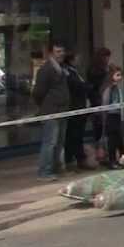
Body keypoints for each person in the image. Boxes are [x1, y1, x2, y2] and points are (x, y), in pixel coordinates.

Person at [33, 42, 71, 181]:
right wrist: (45, 106)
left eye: (62, 51)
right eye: (57, 51)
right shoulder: (45, 70)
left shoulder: (62, 68)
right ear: (51, 53)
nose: (61, 54)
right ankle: (44, 171)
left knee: (59, 142)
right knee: (50, 142)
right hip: (51, 111)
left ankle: (55, 168)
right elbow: (38, 92)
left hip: (62, 110)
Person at [63, 51, 96, 172]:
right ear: (71, 59)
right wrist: (88, 86)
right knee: (73, 136)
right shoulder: (68, 73)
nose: (79, 60)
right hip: (75, 109)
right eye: (77, 58)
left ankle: (80, 160)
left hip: (82, 109)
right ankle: (71, 161)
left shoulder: (75, 72)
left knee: (78, 136)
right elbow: (78, 86)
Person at [100, 64, 124, 169]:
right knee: (113, 140)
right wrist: (105, 118)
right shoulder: (109, 88)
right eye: (117, 75)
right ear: (111, 75)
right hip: (110, 117)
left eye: (120, 75)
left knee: (118, 139)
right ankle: (113, 161)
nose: (120, 77)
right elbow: (105, 103)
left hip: (116, 116)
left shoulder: (116, 87)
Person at [86, 48, 112, 160]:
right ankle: (100, 151)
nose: (107, 59)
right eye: (105, 57)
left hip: (104, 100)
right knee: (99, 127)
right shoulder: (95, 71)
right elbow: (96, 87)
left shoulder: (105, 69)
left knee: (105, 127)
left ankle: (104, 151)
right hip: (97, 101)